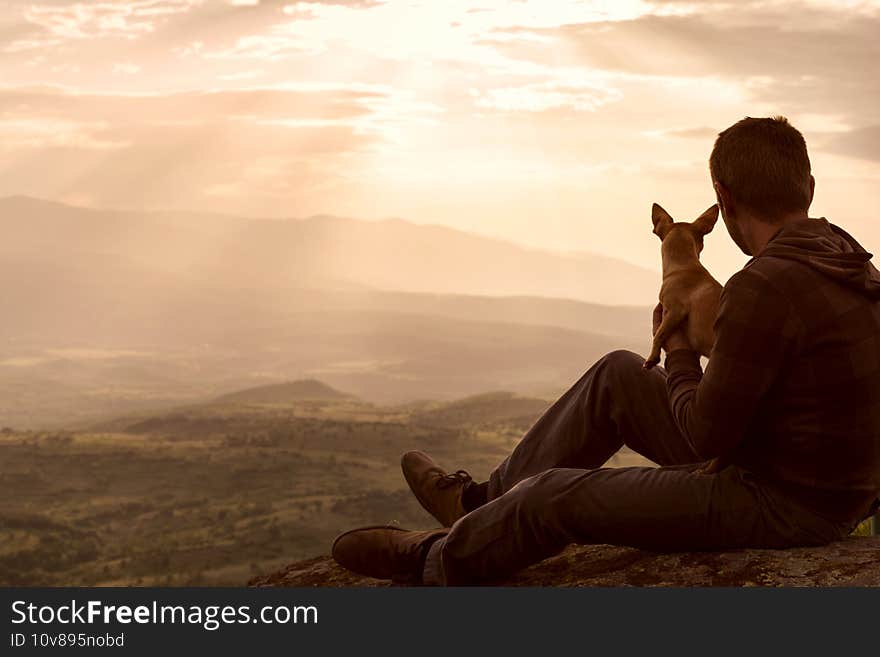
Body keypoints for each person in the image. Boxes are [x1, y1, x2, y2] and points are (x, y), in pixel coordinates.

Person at [331, 116, 880, 585]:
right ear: (807, 186)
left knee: (553, 496)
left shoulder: (766, 283)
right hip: (797, 471)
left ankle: (438, 560)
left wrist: (681, 346)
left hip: (783, 504)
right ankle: (476, 506)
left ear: (725, 200)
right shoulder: (849, 261)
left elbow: (702, 435)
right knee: (619, 373)